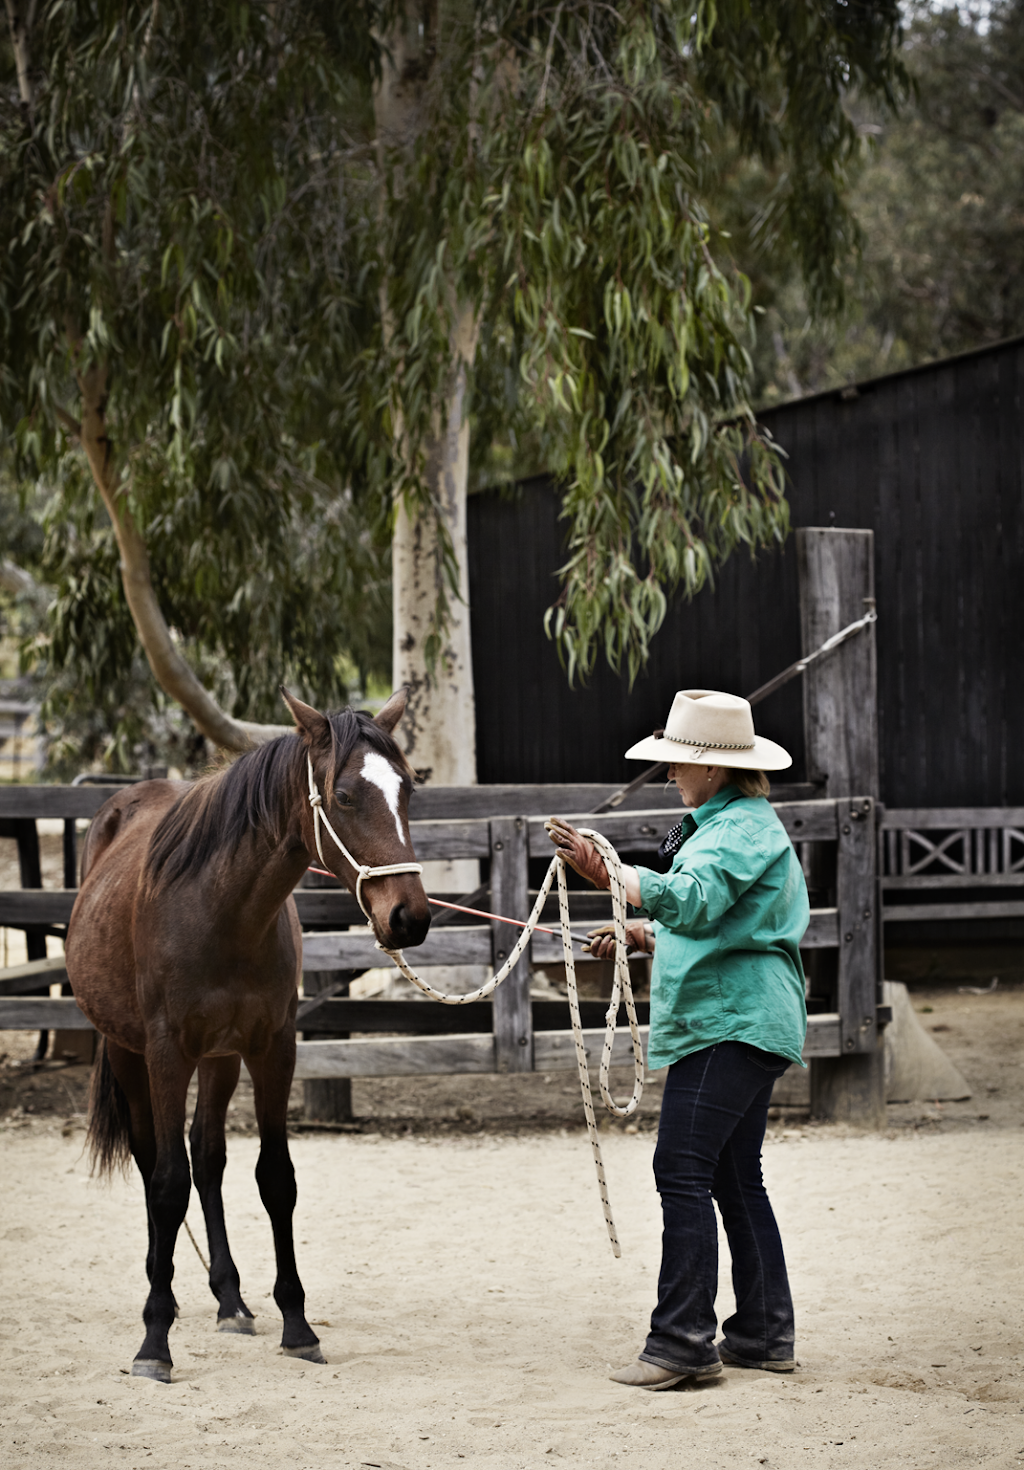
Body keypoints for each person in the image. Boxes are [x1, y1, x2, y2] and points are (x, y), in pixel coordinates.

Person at [546, 689, 809, 1390]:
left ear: (713, 770)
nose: (670, 775)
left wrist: (615, 880)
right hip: (740, 1019)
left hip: (730, 1021)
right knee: (730, 1174)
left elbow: (694, 898)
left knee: (682, 1168)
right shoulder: (730, 827)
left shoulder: (738, 831)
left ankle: (683, 1341)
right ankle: (760, 1331)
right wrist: (640, 929)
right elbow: (714, 915)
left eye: (678, 764)